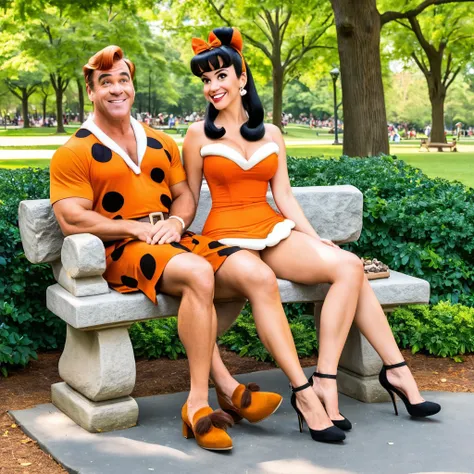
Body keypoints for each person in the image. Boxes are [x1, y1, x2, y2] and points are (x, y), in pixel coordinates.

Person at [49, 45, 345, 452]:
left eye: (123, 80)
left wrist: (174, 221)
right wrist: (137, 230)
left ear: (132, 86)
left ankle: (303, 391)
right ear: (91, 90)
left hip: (173, 241)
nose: (117, 89)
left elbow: (185, 194)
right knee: (198, 272)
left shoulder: (159, 141)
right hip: (122, 251)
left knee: (258, 275)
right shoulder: (75, 150)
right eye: (106, 82)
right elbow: (71, 218)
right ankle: (199, 402)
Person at [183, 27, 441, 434]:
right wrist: (175, 225)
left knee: (348, 266)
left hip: (272, 229)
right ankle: (349, 385)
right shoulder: (198, 134)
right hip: (226, 241)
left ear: (242, 78)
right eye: (206, 79)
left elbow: (283, 195)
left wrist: (314, 235)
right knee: (269, 278)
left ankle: (339, 377)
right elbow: (188, 198)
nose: (213, 86)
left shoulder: (272, 134)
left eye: (220, 76)